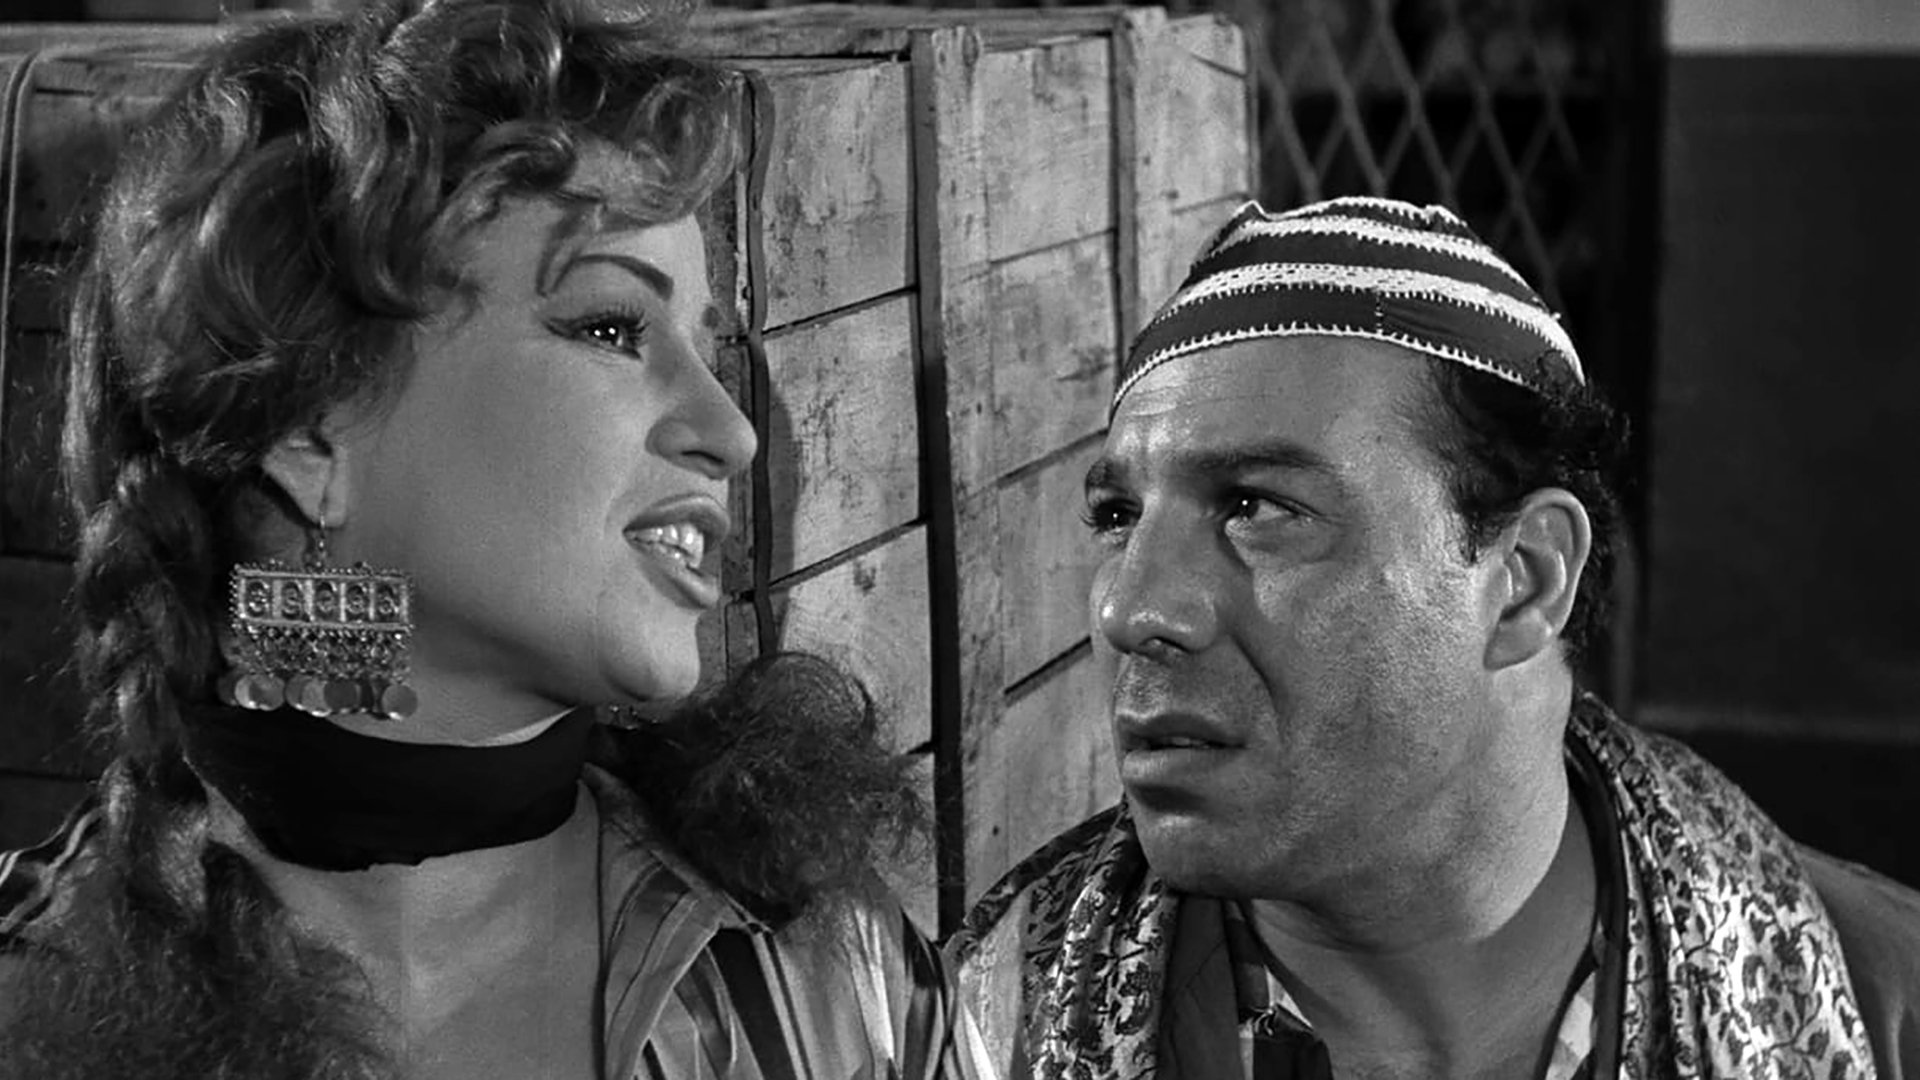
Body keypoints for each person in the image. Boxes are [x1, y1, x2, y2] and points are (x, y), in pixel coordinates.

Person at [0, 2, 991, 1077]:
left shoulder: (848, 978)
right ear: (310, 428)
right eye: (612, 327)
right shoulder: (23, 995)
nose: (731, 431)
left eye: (705, 345)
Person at [950, 196, 1920, 1079]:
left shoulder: (1881, 1010)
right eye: (1118, 516)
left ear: (1526, 578)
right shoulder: (977, 1029)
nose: (1132, 611)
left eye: (1256, 507)